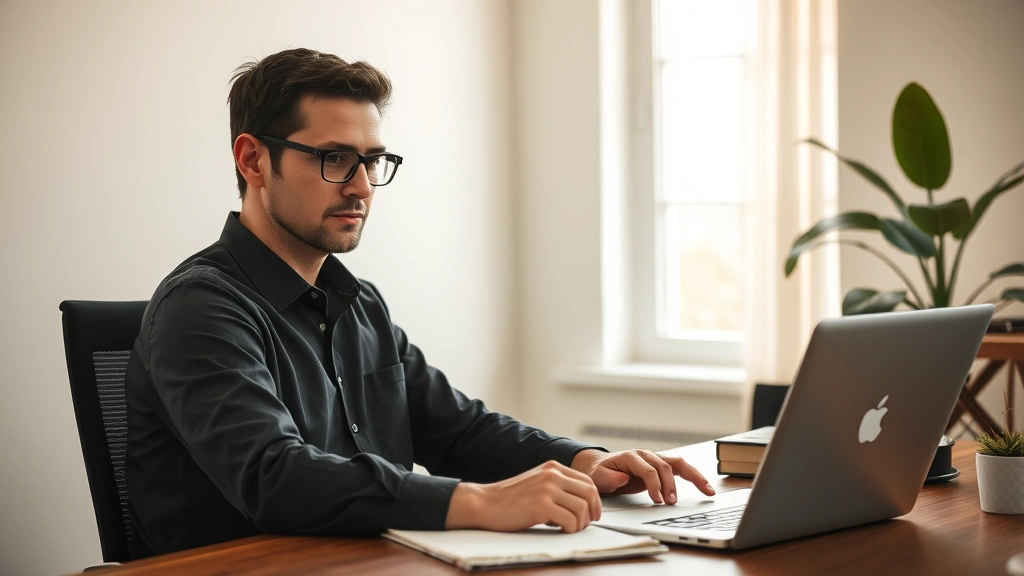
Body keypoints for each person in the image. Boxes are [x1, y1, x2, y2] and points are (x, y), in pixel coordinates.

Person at [124, 47, 714, 558]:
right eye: (333, 159)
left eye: (372, 161)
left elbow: (458, 430)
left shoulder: (356, 302)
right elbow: (275, 478)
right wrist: (480, 502)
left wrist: (583, 460)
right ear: (253, 160)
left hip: (369, 561)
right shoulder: (199, 307)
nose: (361, 186)